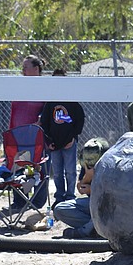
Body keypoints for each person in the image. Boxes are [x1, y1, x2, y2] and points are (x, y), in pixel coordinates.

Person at [41, 69, 85, 207]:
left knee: (70, 171)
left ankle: (70, 196)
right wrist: (49, 141)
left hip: (69, 142)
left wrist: (72, 138)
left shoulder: (71, 101)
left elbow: (79, 120)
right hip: (55, 144)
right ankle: (59, 197)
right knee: (58, 173)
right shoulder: (50, 102)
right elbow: (45, 122)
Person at [10, 55, 47, 210]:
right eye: (23, 67)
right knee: (17, 167)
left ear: (36, 69)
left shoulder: (44, 86)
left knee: (38, 167)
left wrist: (40, 119)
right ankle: (19, 201)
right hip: (17, 134)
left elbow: (48, 108)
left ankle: (37, 201)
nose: (23, 70)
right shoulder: (19, 85)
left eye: (26, 67)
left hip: (35, 135)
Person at [54, 137, 109, 239]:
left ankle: (86, 231)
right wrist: (88, 176)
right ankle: (96, 228)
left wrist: (93, 190)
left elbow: (112, 194)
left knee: (102, 208)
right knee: (59, 209)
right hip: (91, 204)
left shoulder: (110, 166)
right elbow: (80, 188)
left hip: (107, 206)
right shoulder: (87, 165)